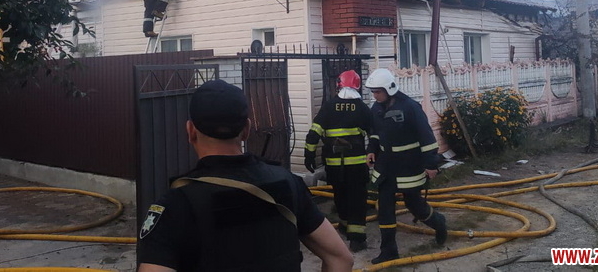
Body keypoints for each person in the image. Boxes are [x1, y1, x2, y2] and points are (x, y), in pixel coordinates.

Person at [137, 79, 354, 272]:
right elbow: (341, 259)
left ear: (190, 131)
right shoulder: (287, 184)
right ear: (247, 129)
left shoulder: (175, 206)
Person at [364, 68, 448, 265]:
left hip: (408, 166)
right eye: (373, 92)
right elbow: (375, 132)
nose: (375, 95)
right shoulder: (376, 108)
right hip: (386, 167)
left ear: (389, 89)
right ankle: (389, 251)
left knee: (414, 205)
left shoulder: (411, 107)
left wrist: (431, 164)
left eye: (378, 92)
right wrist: (372, 149)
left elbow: (426, 137)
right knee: (385, 208)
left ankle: (439, 223)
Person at [304, 70, 372, 252]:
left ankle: (344, 225)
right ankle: (357, 239)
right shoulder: (362, 108)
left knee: (340, 195)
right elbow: (374, 134)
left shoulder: (329, 106)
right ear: (357, 86)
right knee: (357, 199)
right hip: (357, 165)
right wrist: (375, 154)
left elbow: (314, 133)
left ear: (339, 85)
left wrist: (309, 155)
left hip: (334, 165)